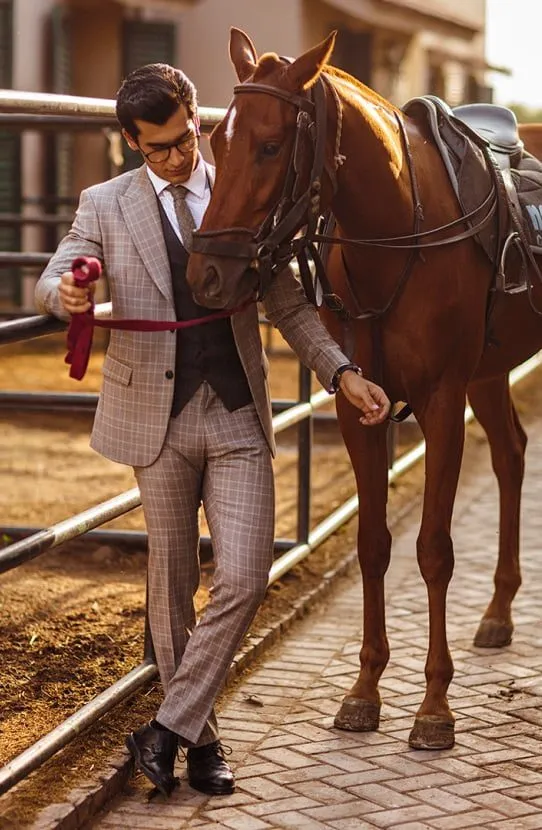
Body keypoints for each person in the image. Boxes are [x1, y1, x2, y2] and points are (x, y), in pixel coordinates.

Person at [34, 63, 390, 799]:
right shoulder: (104, 203)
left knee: (247, 573)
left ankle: (164, 728)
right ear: (131, 141)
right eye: (157, 147)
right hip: (152, 420)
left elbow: (288, 302)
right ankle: (202, 740)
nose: (177, 156)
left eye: (185, 138)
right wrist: (66, 292)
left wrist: (341, 373)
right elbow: (58, 270)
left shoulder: (239, 189)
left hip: (233, 414)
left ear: (199, 118)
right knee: (170, 585)